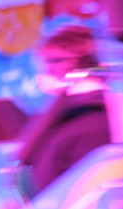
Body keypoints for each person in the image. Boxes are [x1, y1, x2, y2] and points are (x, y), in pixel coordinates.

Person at [17, 25, 112, 196]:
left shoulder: (90, 116)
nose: (49, 69)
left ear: (81, 61)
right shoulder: (64, 111)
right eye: (46, 61)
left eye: (57, 60)